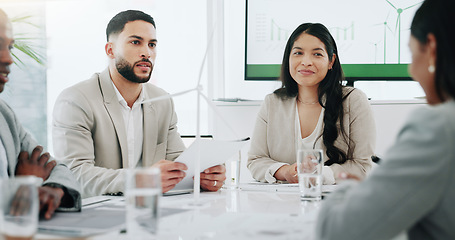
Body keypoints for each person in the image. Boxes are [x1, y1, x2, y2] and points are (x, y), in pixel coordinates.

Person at [316, 0, 455, 239]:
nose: (412, 71)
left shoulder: (439, 127)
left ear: (431, 48)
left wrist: (348, 189)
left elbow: (339, 232)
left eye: (412, 54)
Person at [52, 10, 225, 198]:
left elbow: (178, 163)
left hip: (150, 213)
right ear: (110, 50)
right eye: (136, 42)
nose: (147, 53)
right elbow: (75, 174)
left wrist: (202, 176)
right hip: (97, 217)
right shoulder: (75, 100)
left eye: (152, 45)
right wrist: (141, 179)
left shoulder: (163, 101)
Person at [247, 23, 376, 185]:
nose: (306, 62)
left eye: (317, 54)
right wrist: (285, 171)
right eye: (298, 53)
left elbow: (363, 166)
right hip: (281, 203)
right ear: (288, 59)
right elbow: (255, 160)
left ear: (331, 61)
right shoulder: (272, 102)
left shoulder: (353, 100)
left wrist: (320, 174)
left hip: (336, 203)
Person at [0, 9, 81, 219]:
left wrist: (53, 189)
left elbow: (57, 166)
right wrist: (27, 184)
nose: (9, 59)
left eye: (9, 47)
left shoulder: (4, 114)